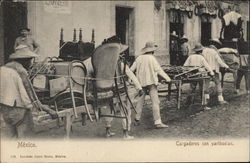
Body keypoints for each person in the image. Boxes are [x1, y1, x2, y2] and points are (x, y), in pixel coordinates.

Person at [84, 36, 143, 139]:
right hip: (116, 89)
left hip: (99, 89)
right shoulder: (118, 61)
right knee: (125, 108)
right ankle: (125, 133)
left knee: (108, 108)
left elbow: (86, 71)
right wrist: (139, 87)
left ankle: (108, 130)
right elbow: (130, 74)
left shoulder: (93, 59)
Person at [0, 45, 57, 138]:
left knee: (10, 138)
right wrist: (48, 110)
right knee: (26, 138)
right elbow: (30, 92)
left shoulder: (3, 69)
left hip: (5, 109)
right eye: (30, 60)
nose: (31, 63)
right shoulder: (21, 70)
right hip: (18, 109)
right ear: (24, 59)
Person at [130, 41, 171, 129]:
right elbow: (159, 70)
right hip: (152, 83)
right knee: (155, 102)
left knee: (140, 101)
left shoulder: (139, 58)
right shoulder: (152, 58)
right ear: (152, 50)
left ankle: (137, 119)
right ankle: (158, 122)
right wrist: (168, 79)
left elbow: (131, 70)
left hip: (141, 84)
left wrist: (130, 79)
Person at [184, 43, 214, 110]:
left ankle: (188, 103)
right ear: (201, 51)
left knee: (192, 89)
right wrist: (212, 73)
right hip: (200, 75)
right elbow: (207, 66)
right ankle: (204, 105)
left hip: (192, 75)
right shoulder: (201, 57)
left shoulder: (190, 57)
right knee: (202, 89)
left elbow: (185, 66)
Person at [202, 39, 230, 104]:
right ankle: (220, 99)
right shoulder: (214, 52)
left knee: (206, 84)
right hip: (214, 70)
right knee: (218, 83)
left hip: (206, 70)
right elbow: (219, 61)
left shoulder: (204, 50)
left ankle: (206, 99)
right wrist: (227, 67)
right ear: (215, 45)